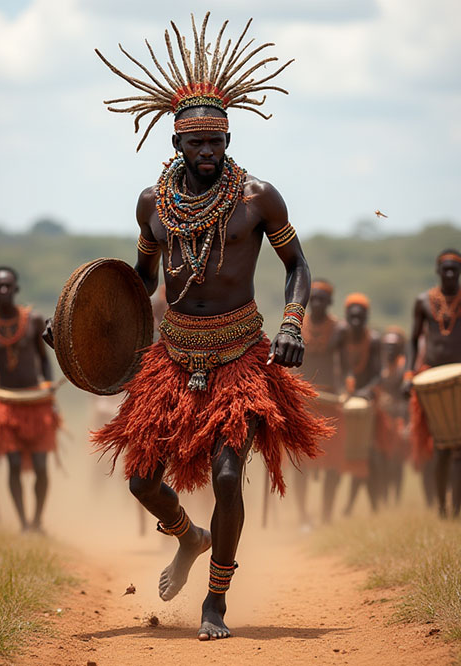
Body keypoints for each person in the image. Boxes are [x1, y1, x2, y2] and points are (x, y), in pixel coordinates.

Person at [91, 15, 332, 641]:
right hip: (173, 355)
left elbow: (297, 265)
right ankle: (187, 535)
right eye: (196, 143)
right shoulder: (152, 203)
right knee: (143, 478)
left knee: (228, 474)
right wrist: (83, 328)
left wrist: (292, 323)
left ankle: (215, 603)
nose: (207, 152)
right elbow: (140, 283)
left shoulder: (257, 197)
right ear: (176, 144)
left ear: (228, 139)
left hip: (239, 355)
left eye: (217, 141)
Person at [0, 267, 59, 532]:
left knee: (40, 467)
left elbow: (44, 361)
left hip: (36, 403)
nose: (3, 291)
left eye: (8, 286)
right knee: (12, 464)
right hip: (5, 405)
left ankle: (37, 520)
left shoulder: (33, 321)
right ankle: (24, 523)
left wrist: (48, 387)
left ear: (16, 289)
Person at [404, 249, 461, 517]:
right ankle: (441, 507)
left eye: (454, 269)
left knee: (459, 448)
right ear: (438, 272)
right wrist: (409, 375)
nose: (450, 274)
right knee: (440, 446)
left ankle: (456, 508)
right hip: (431, 378)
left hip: (459, 377)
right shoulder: (423, 302)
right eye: (445, 269)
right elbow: (413, 341)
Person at [293, 279, 344, 526]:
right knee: (299, 463)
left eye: (324, 300)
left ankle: (326, 514)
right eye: (315, 299)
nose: (319, 304)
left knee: (333, 463)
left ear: (330, 302)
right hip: (304, 398)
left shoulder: (339, 330)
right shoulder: (297, 326)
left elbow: (347, 368)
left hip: (332, 400)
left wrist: (349, 389)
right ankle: (302, 514)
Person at [340, 293, 382, 516]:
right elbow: (337, 367)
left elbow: (378, 374)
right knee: (340, 454)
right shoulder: (340, 337)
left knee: (367, 456)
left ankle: (367, 506)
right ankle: (343, 507)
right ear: (347, 316)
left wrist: (366, 392)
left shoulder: (373, 340)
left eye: (360, 316)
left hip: (367, 405)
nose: (356, 320)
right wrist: (342, 389)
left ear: (366, 317)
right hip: (344, 403)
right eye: (352, 316)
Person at [376, 328, 409, 505]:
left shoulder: (403, 367)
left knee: (397, 460)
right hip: (382, 417)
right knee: (381, 458)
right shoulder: (379, 366)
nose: (389, 350)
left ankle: (396, 497)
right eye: (387, 346)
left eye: (393, 346)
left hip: (398, 417)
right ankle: (383, 496)